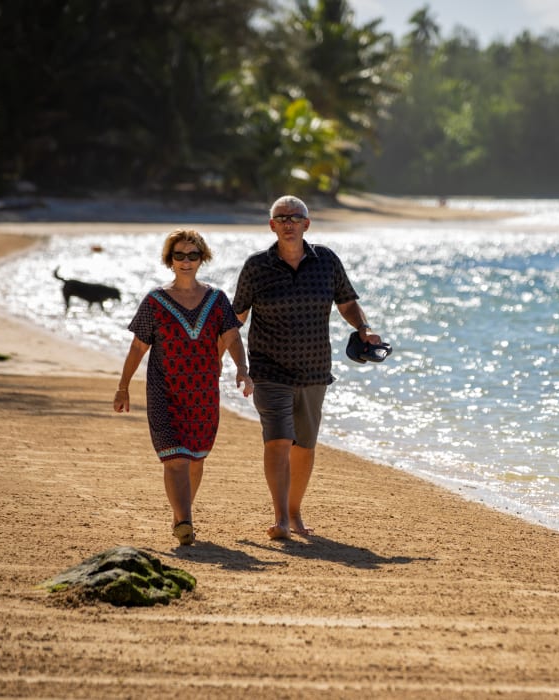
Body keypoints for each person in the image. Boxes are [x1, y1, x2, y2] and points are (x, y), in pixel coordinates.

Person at [233, 195, 382, 540]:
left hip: (315, 369)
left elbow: (347, 303)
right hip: (269, 370)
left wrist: (364, 329)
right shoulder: (257, 266)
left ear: (306, 224)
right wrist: (233, 363)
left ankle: (296, 512)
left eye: (295, 217)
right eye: (281, 218)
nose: (288, 223)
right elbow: (235, 318)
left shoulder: (326, 261)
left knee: (305, 446)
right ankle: (281, 517)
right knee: (278, 441)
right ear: (272, 225)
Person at [114, 229, 253, 546]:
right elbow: (138, 348)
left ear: (202, 258)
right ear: (169, 259)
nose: (186, 261)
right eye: (180, 255)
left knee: (196, 458)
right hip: (164, 391)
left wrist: (242, 370)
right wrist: (123, 387)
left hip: (203, 392)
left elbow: (231, 336)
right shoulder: (155, 301)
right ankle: (186, 521)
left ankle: (180, 514)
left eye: (193, 255)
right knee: (175, 458)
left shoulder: (217, 299)